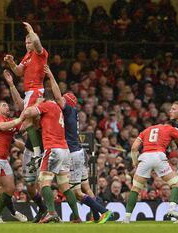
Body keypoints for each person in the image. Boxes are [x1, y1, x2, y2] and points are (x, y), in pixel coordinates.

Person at [45, 65, 112, 223]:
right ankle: (96, 217)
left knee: (76, 192)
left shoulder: (67, 110)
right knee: (87, 187)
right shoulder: (74, 112)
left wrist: (50, 76)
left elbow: (57, 95)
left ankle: (104, 211)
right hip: (79, 152)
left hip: (72, 154)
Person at [123, 123, 178, 223]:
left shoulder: (146, 130)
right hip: (159, 156)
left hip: (145, 157)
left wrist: (135, 162)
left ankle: (126, 218)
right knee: (176, 184)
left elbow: (134, 148)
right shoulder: (168, 128)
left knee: (135, 188)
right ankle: (172, 209)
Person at [23, 90, 80, 223]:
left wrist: (37, 103)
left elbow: (27, 113)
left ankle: (51, 212)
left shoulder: (47, 105)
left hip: (53, 149)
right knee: (64, 186)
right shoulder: (58, 109)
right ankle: (77, 217)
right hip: (64, 150)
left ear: (44, 98)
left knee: (44, 182)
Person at [3, 69, 47, 222]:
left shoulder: (46, 108)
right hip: (30, 151)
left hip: (47, 151)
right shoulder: (30, 107)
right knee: (29, 186)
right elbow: (20, 105)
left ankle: (51, 213)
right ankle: (43, 208)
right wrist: (11, 85)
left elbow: (24, 123)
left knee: (45, 182)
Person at [4, 22, 48, 160]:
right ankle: (36, 153)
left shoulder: (41, 53)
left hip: (35, 90)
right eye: (26, 43)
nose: (28, 45)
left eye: (30, 42)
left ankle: (11, 132)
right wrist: (11, 63)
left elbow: (37, 42)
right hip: (29, 91)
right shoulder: (27, 56)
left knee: (26, 122)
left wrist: (31, 29)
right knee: (31, 124)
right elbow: (18, 72)